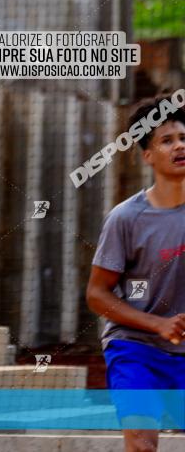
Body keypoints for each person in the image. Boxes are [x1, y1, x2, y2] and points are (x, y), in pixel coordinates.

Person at [86, 92, 185, 452]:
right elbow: (97, 295)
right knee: (142, 444)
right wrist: (157, 323)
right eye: (167, 140)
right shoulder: (125, 218)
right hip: (135, 348)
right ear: (147, 155)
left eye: (184, 138)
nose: (179, 146)